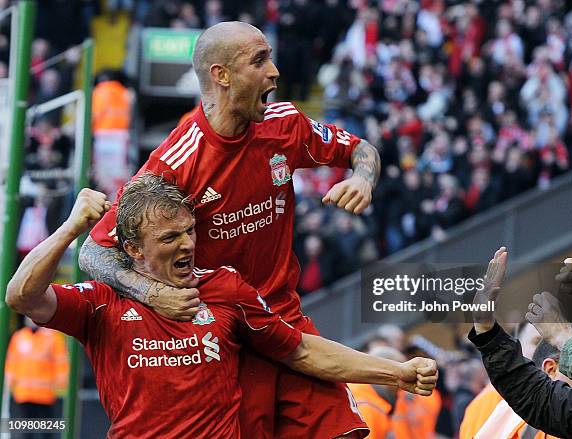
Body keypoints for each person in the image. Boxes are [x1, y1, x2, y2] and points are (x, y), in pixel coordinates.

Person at [78, 21, 381, 438]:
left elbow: (361, 149)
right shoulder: (176, 162)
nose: (274, 71)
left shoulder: (285, 124)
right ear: (221, 75)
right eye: (259, 60)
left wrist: (363, 178)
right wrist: (153, 293)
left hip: (285, 317)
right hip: (228, 335)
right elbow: (93, 252)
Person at [7, 175, 438, 438]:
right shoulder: (103, 300)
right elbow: (21, 295)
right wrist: (70, 228)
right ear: (134, 249)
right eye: (170, 237)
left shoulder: (226, 289)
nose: (188, 244)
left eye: (189, 231)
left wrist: (396, 373)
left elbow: (302, 351)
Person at [468, 247, 572, 438]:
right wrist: (486, 330)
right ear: (551, 369)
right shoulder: (492, 409)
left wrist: (563, 335)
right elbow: (534, 394)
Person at [5, 317, 68, 437]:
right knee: (27, 431)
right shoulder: (19, 337)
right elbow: (11, 361)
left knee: (46, 431)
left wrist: (60, 385)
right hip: (24, 394)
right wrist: (9, 383)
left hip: (45, 394)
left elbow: (61, 364)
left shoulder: (52, 338)